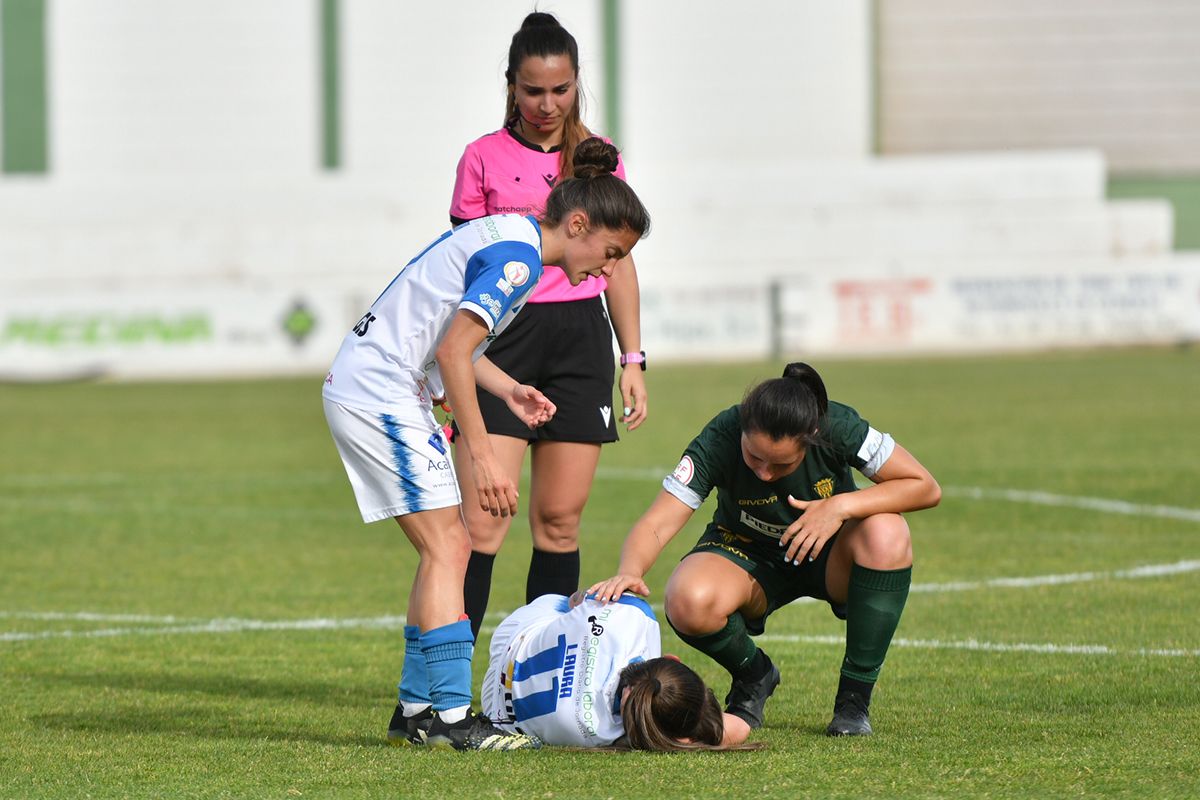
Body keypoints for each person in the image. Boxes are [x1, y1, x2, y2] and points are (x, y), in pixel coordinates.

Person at [322, 138, 650, 751]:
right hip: (380, 391)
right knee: (450, 545)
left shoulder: (517, 237)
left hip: (380, 386)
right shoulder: (520, 262)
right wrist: (479, 453)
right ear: (577, 224)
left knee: (442, 547)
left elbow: (459, 345)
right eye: (609, 253)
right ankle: (447, 717)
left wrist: (512, 389)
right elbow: (450, 352)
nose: (608, 270)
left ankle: (418, 708)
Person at [589, 363, 941, 737]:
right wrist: (631, 568)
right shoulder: (722, 434)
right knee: (686, 598)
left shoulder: (837, 425)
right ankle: (754, 675)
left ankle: (853, 702)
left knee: (888, 532)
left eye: (781, 464)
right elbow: (657, 521)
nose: (764, 473)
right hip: (747, 555)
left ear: (813, 437)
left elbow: (924, 486)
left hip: (828, 554)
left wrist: (839, 507)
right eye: (754, 457)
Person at [449, 12, 651, 639]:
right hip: (502, 342)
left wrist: (632, 359)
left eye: (559, 90)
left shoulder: (600, 162)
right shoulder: (480, 158)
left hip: (580, 345)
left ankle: (538, 677)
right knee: (483, 523)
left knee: (560, 522)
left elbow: (619, 267)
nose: (546, 103)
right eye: (532, 90)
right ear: (511, 85)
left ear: (576, 83)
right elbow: (461, 265)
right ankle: (447, 682)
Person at [480, 592, 753, 750]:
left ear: (673, 659)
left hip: (515, 631)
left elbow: (576, 601)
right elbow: (739, 728)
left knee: (573, 605)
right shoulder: (607, 734)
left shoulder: (636, 616)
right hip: (498, 711)